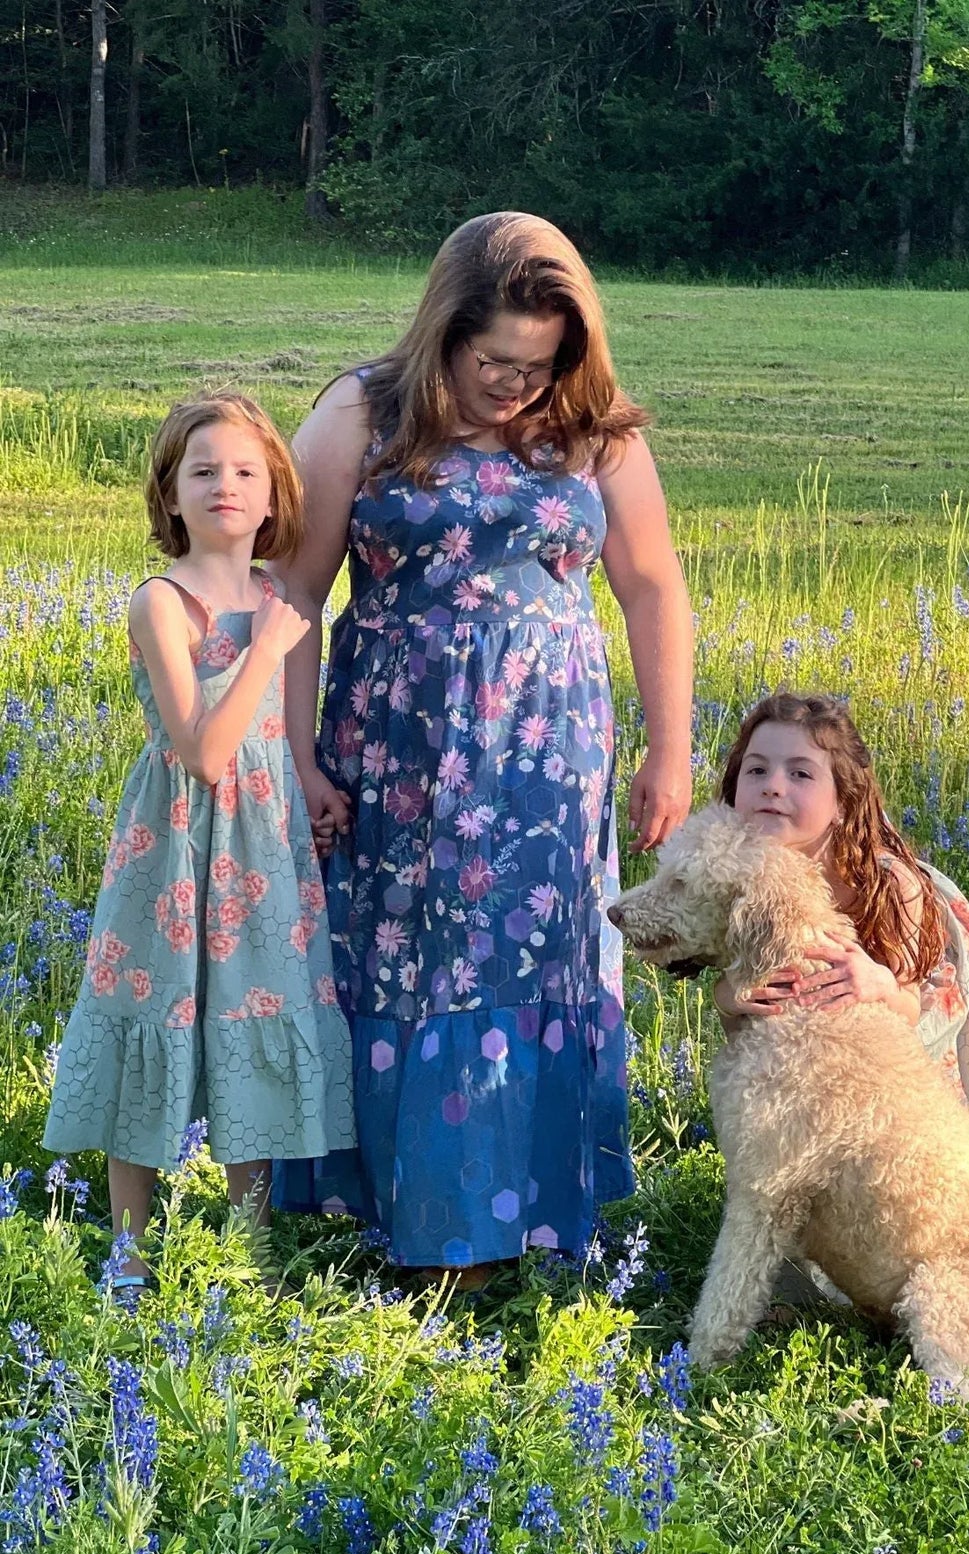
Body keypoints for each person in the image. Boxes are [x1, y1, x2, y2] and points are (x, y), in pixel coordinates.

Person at [272, 211, 693, 1286]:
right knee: (406, 956)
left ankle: (529, 1209)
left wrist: (670, 751)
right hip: (397, 747)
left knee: (535, 954)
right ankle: (408, 1212)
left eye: (537, 364)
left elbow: (651, 587)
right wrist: (295, 755)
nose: (514, 384)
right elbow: (293, 597)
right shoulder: (362, 411)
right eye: (493, 359)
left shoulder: (594, 427)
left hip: (546, 755)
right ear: (444, 330)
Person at [43, 394, 357, 1297]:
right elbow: (205, 751)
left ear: (274, 499)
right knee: (155, 1018)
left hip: (264, 853)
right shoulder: (161, 601)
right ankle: (131, 1252)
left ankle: (247, 1248)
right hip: (174, 853)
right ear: (171, 494)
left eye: (247, 472)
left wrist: (314, 789)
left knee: (251, 1024)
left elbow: (289, 744)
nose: (227, 485)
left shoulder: (289, 602)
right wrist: (263, 649)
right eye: (204, 470)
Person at [714, 691, 969, 1189]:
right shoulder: (736, 875)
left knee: (930, 1129)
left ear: (842, 804)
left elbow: (911, 1006)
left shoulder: (888, 884)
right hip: (829, 1028)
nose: (773, 786)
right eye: (756, 771)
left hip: (919, 989)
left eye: (800, 773)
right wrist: (728, 995)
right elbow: (735, 991)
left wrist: (876, 984)